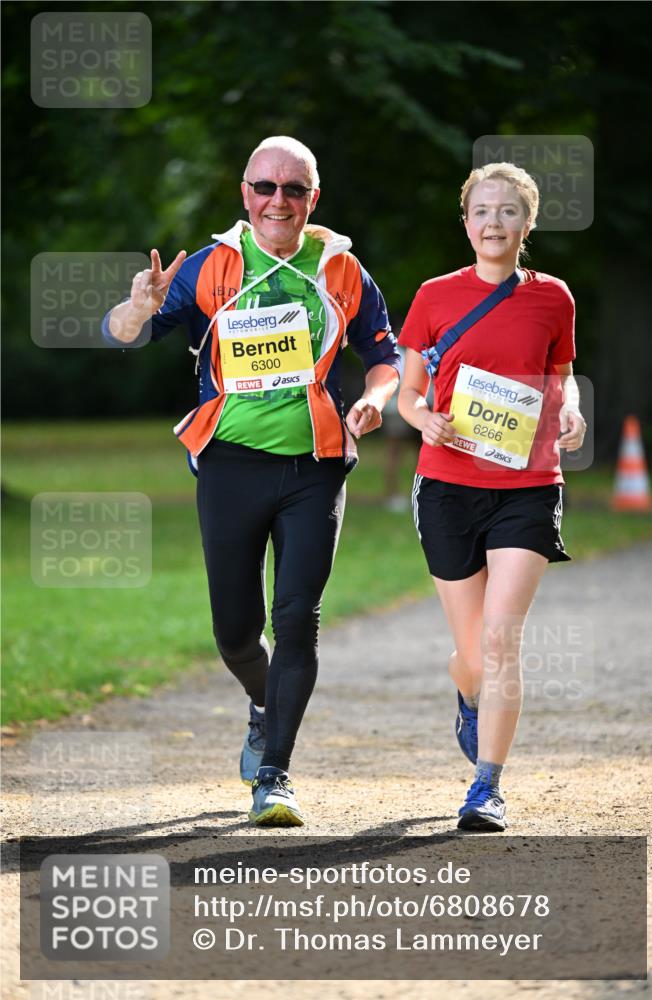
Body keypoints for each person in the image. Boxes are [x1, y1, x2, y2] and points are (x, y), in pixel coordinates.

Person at [103, 136, 400, 826]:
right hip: (230, 464)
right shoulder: (210, 268)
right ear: (245, 194)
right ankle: (262, 705)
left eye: (293, 189)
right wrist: (138, 308)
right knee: (236, 633)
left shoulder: (340, 269)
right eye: (264, 187)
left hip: (315, 467)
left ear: (311, 200)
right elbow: (124, 333)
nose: (277, 201)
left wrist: (374, 400)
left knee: (296, 618)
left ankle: (276, 778)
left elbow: (383, 354)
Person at [397, 162, 586, 832]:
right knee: (474, 654)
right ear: (466, 221)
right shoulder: (434, 296)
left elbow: (561, 377)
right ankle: (465, 689)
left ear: (525, 224)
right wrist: (424, 419)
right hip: (447, 484)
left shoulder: (553, 298)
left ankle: (486, 787)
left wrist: (572, 414)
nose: (493, 223)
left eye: (508, 211)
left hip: (527, 486)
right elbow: (408, 392)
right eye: (482, 211)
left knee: (502, 639)